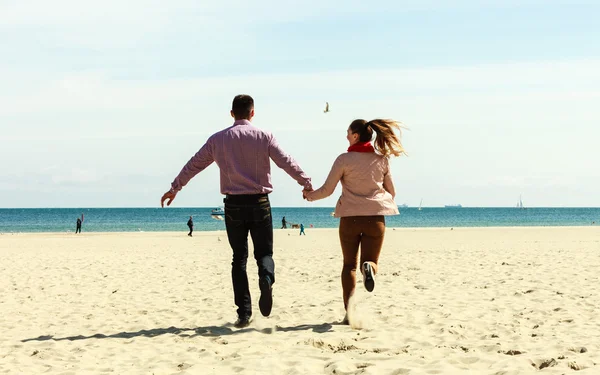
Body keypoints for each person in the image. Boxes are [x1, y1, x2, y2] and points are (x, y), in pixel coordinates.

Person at [160, 95, 312, 328]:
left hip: (233, 205)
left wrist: (175, 187)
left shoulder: (218, 140)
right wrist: (305, 182)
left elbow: (194, 164)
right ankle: (266, 277)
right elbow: (285, 161)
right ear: (252, 113)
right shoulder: (264, 136)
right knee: (264, 254)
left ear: (232, 114)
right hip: (260, 202)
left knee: (238, 258)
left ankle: (244, 313)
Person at [303, 118, 405, 324]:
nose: (346, 135)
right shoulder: (382, 160)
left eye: (348, 132)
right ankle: (369, 268)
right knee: (371, 261)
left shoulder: (343, 160)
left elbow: (327, 190)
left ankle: (350, 313)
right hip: (375, 218)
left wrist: (309, 195)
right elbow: (392, 192)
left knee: (349, 265)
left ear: (356, 136)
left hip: (350, 218)